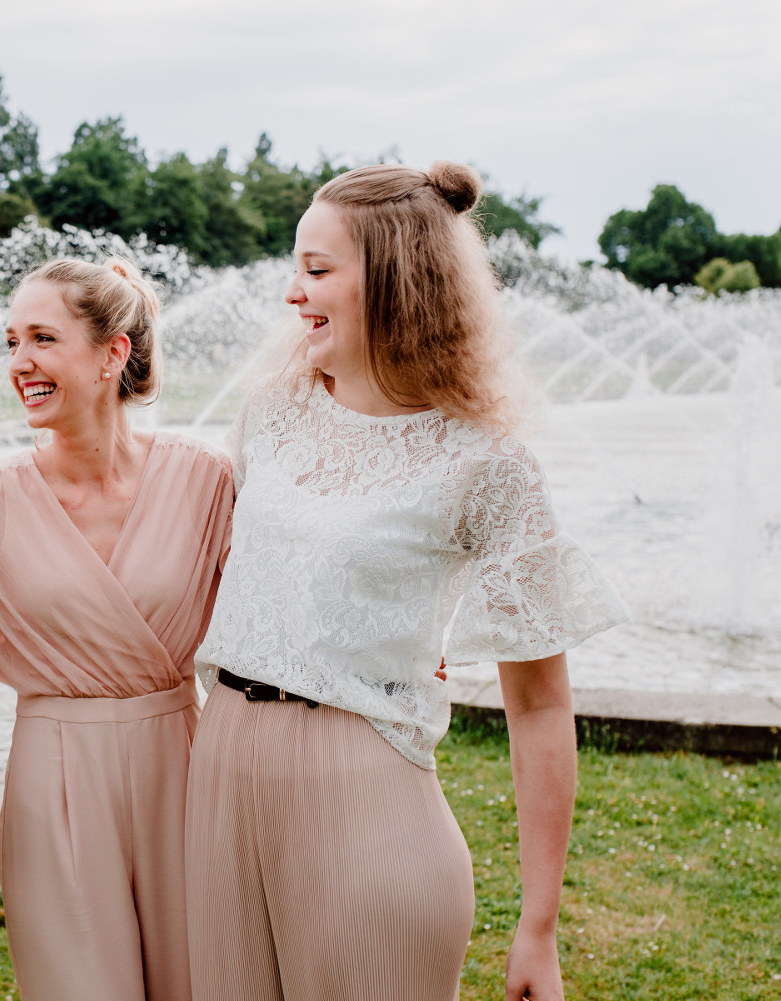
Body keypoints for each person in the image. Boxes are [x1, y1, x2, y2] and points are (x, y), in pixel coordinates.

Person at [187, 162, 630, 1001]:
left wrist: (538, 925)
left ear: (393, 281)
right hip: (221, 778)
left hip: (367, 805)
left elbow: (539, 705)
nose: (292, 292)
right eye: (295, 267)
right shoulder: (270, 413)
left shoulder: (487, 463)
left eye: (317, 270)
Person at [0, 257, 234, 1001]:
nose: (20, 363)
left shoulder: (208, 480)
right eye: (11, 342)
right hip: (54, 779)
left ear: (112, 353)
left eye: (42, 338)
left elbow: (267, 627)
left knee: (204, 981)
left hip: (186, 765)